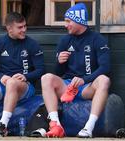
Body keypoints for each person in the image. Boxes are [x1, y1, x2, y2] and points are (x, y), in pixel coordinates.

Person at [41, 3, 110, 138]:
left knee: (104, 80)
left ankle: (89, 127)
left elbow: (105, 67)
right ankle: (56, 125)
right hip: (67, 86)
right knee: (46, 78)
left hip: (87, 87)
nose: (65, 25)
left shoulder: (98, 39)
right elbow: (59, 72)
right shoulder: (65, 40)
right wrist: (60, 62)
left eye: (68, 21)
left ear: (79, 20)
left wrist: (84, 79)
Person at [0, 12, 45, 136]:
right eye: (20, 27)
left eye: (25, 26)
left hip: (25, 87)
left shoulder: (32, 44)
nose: (24, 30)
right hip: (4, 85)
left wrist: (26, 76)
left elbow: (41, 70)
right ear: (9, 28)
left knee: (12, 82)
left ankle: (3, 125)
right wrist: (2, 77)